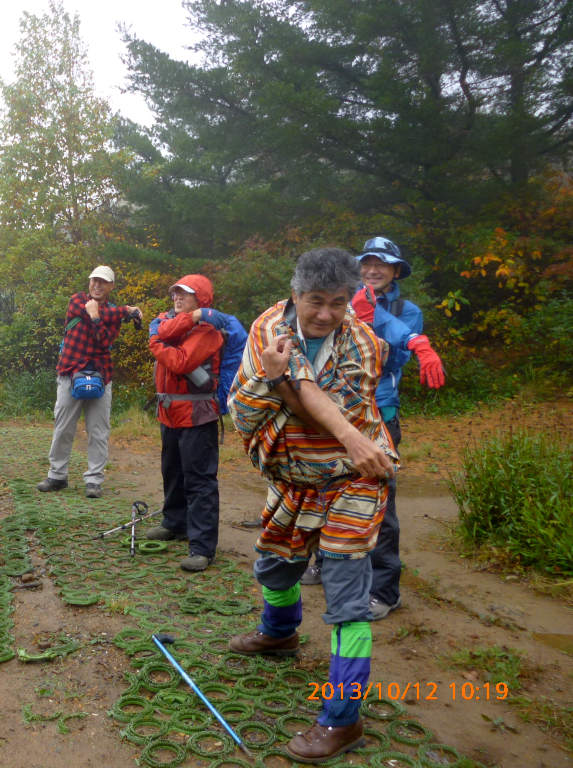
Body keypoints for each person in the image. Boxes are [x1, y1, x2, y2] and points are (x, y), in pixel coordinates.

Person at [227, 248, 398, 764]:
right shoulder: (267, 326)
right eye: (315, 301)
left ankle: (343, 717)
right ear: (295, 294)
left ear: (351, 302)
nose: (325, 313)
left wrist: (285, 386)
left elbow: (326, 415)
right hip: (292, 476)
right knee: (276, 566)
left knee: (347, 594)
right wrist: (280, 382)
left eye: (338, 303)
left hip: (356, 474)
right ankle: (279, 634)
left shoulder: (364, 343)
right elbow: (242, 412)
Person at [301, 237, 445, 622]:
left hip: (379, 413)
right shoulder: (338, 300)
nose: (374, 270)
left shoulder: (406, 310)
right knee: (322, 488)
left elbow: (393, 357)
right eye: (367, 263)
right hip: (330, 412)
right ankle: (321, 561)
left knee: (378, 501)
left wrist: (373, 319)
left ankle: (384, 589)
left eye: (383, 265)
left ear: (396, 271)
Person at [143, 276, 226, 572]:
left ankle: (202, 547)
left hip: (197, 414)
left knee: (200, 481)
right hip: (169, 412)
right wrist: (161, 334)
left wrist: (155, 342)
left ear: (200, 301)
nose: (177, 297)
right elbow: (162, 330)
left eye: (185, 294)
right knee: (173, 472)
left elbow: (180, 362)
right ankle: (175, 523)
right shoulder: (170, 323)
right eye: (175, 292)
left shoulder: (207, 331)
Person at [36, 266, 141, 499]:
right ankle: (57, 475)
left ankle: (94, 480)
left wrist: (96, 317)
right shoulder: (77, 300)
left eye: (103, 282)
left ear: (111, 286)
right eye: (95, 280)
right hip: (69, 373)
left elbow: (105, 342)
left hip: (101, 377)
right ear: (89, 281)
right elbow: (91, 311)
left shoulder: (112, 313)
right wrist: (126, 311)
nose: (97, 285)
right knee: (63, 427)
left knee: (98, 431)